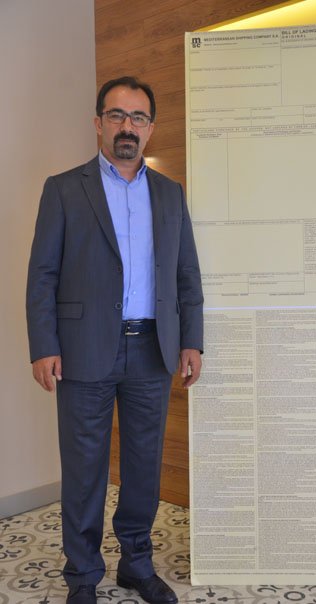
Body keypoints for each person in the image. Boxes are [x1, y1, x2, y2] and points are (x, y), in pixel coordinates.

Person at [26, 76, 203, 604]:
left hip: (152, 349)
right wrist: (43, 344)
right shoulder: (63, 188)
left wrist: (191, 340)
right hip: (83, 349)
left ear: (151, 128)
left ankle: (136, 564)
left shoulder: (170, 193)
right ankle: (82, 574)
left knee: (144, 466)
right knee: (84, 469)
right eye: (117, 115)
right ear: (98, 122)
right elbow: (43, 274)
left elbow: (186, 273)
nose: (128, 126)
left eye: (138, 117)